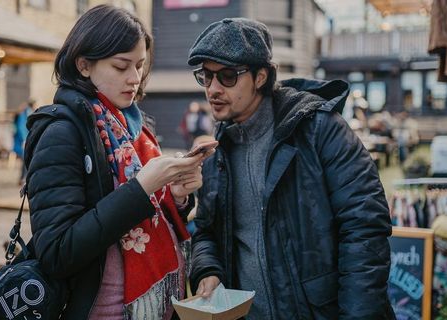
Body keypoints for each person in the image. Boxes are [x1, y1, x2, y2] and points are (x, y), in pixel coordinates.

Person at [187, 18, 395, 319]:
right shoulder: (217, 153)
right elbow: (206, 231)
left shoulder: (319, 129)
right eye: (205, 77)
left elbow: (365, 230)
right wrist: (208, 270)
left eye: (227, 76)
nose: (213, 89)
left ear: (261, 76)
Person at [24, 5, 210, 319]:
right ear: (83, 65)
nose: (135, 78)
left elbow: (154, 215)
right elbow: (57, 252)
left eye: (139, 65)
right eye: (121, 66)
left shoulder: (133, 126)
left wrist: (177, 196)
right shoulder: (61, 133)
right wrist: (142, 188)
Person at [13, 99, 35, 184]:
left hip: (25, 139)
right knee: (25, 159)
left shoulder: (27, 112)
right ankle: (23, 178)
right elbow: (22, 127)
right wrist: (25, 139)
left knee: (25, 159)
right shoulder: (25, 113)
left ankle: (23, 178)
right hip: (23, 140)